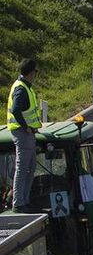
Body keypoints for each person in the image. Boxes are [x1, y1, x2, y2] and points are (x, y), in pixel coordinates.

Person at [8, 57, 41, 210]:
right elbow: (15, 109)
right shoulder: (21, 88)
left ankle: (24, 200)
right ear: (31, 72)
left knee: (30, 167)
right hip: (23, 133)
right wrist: (25, 127)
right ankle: (19, 203)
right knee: (23, 168)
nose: (36, 74)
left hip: (27, 133)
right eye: (35, 71)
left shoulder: (24, 86)